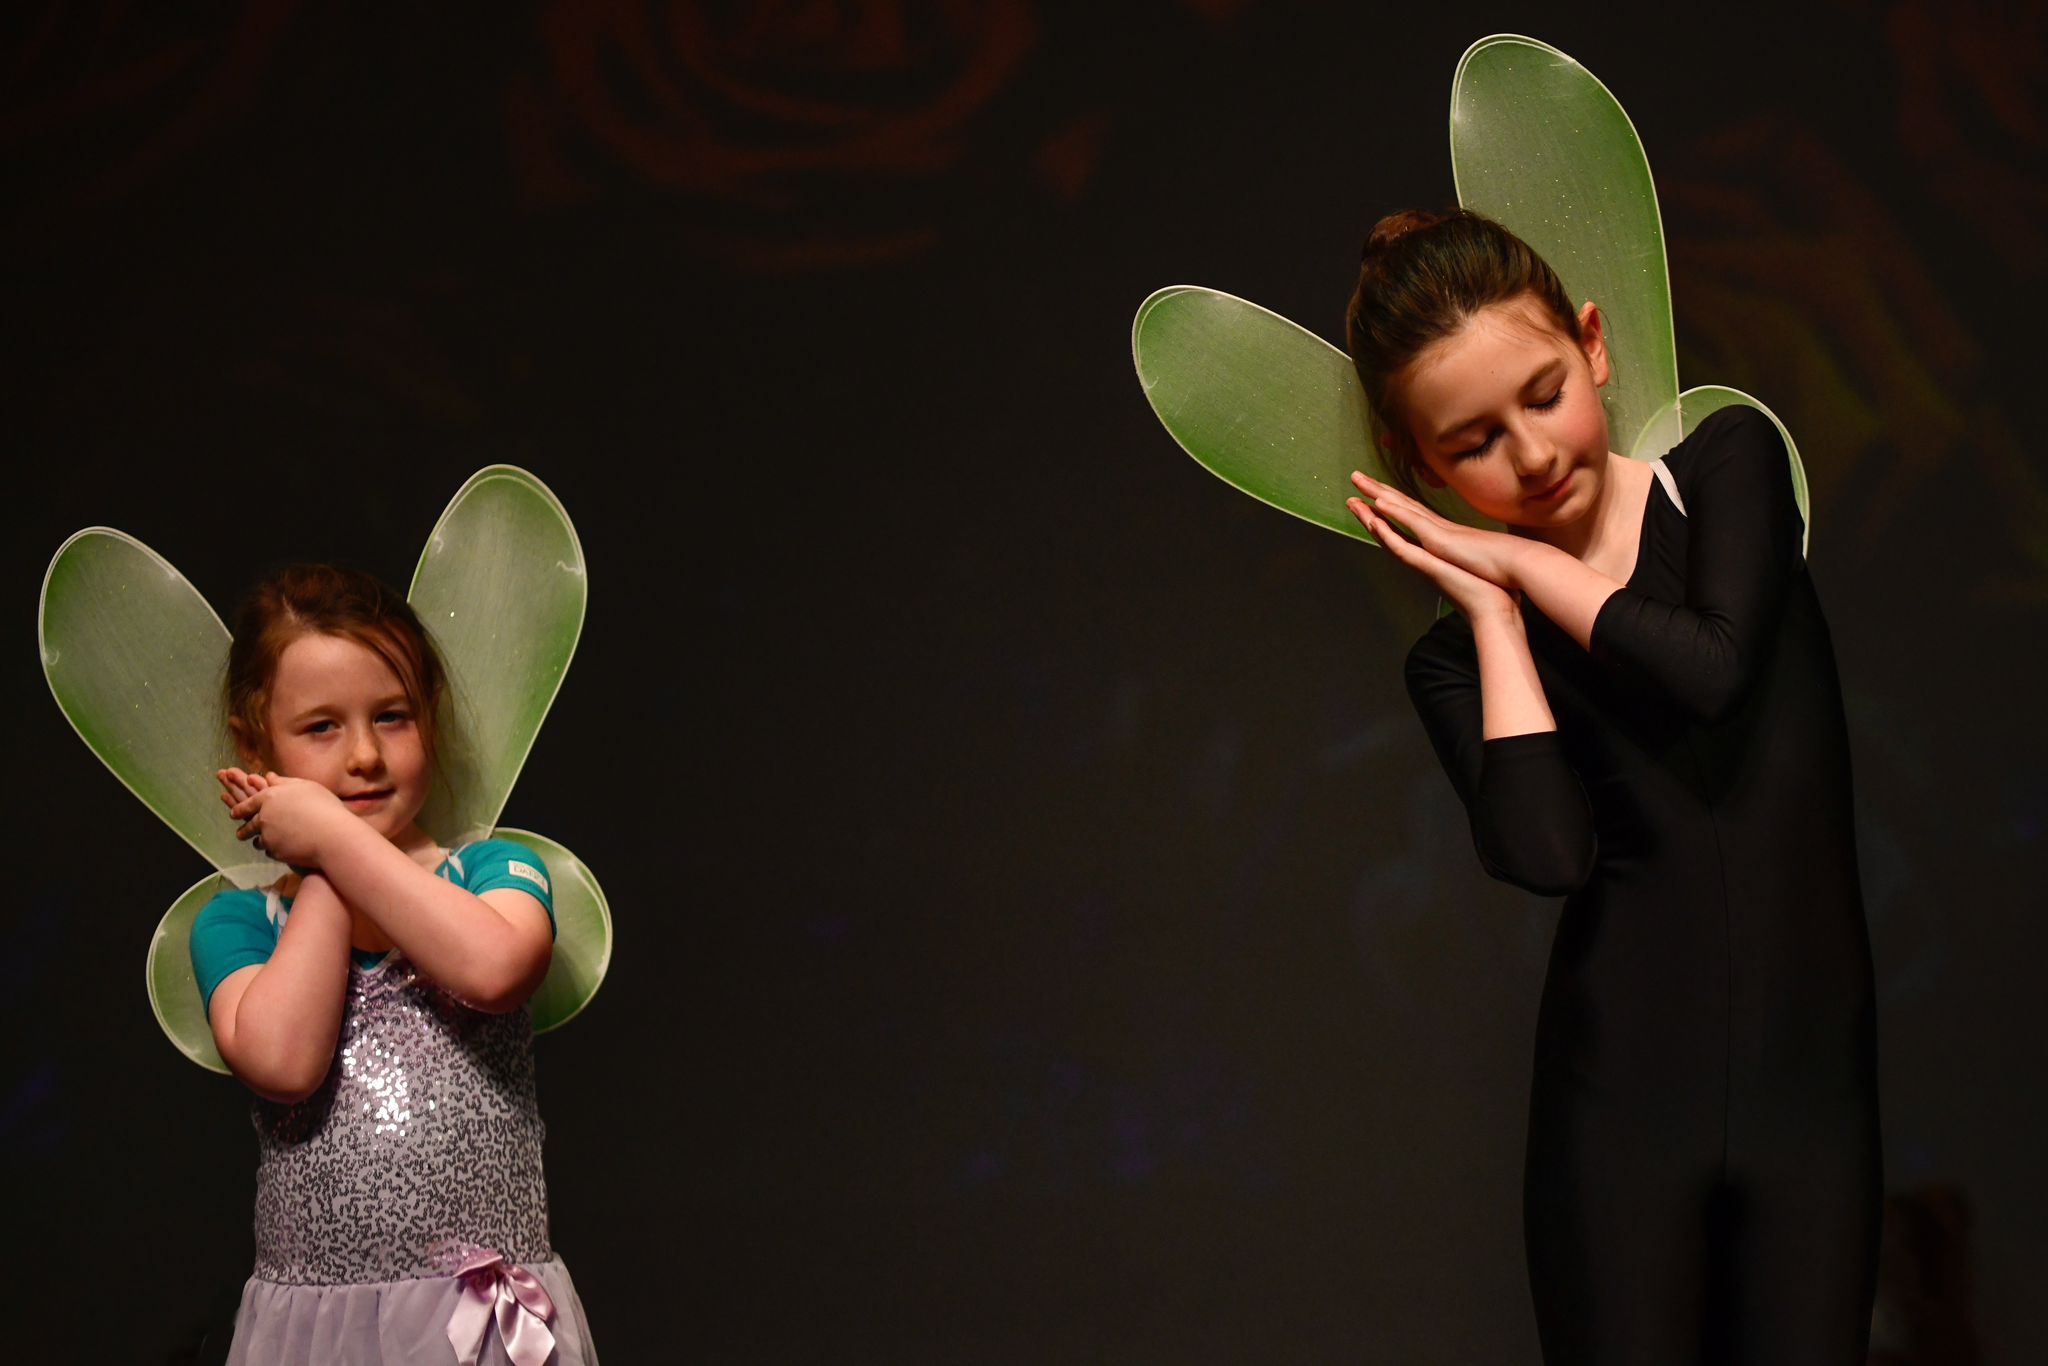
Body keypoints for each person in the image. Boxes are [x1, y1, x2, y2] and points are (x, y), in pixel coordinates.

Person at [1341, 208, 1881, 1363]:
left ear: (1591, 343)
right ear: (1415, 468)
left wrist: (1526, 565)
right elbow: (1544, 855)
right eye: (1472, 442)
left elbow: (1710, 668)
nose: (1531, 456)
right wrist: (1490, 611)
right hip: (1616, 1120)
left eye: (1542, 394)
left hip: (1811, 1107)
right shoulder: (1453, 659)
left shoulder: (1724, 469)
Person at [189, 563, 598, 1365]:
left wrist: (333, 838)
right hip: (313, 1340)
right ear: (254, 744)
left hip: (477, 1332)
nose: (365, 756)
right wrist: (325, 870)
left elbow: (494, 967)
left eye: (393, 717)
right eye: (321, 728)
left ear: (431, 720)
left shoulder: (491, 873)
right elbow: (283, 1061)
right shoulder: (239, 923)